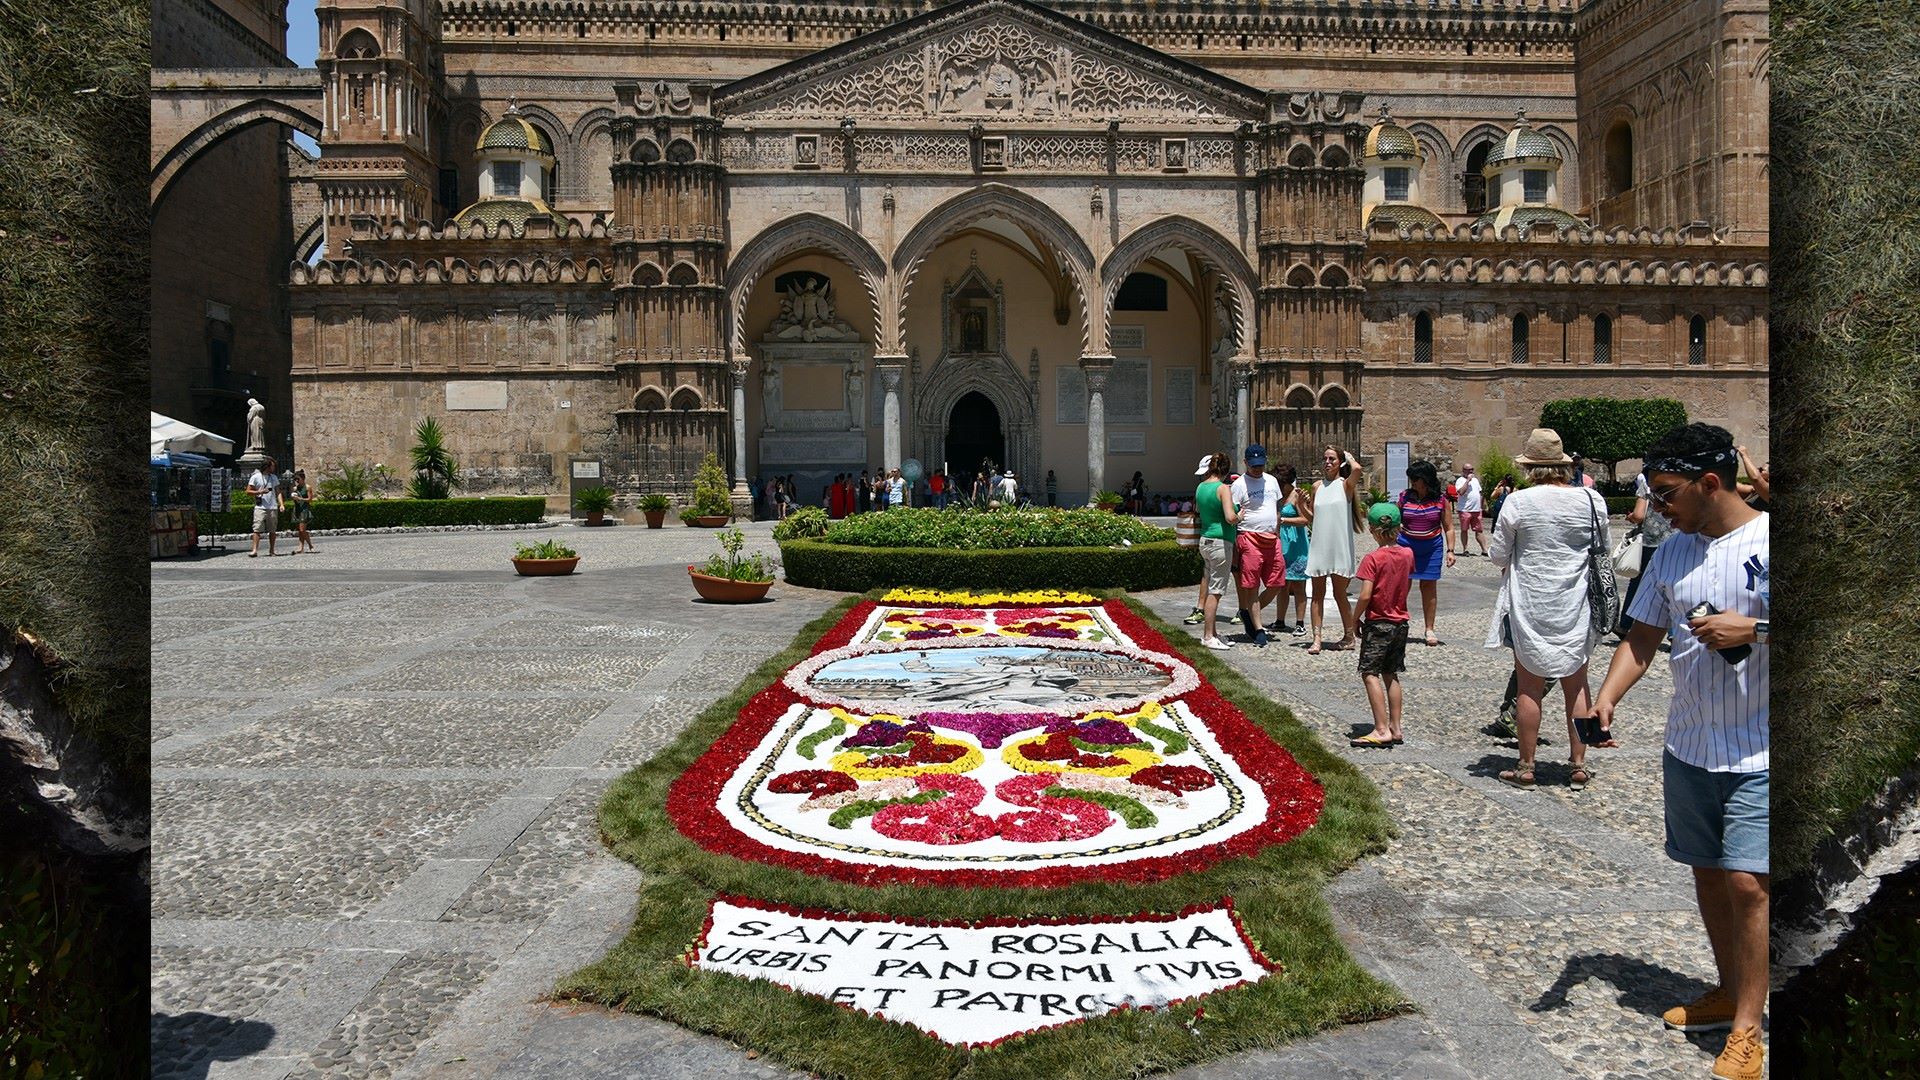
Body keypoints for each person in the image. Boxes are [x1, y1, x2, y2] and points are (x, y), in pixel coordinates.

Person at [1592, 423, 1769, 1080]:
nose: (1657, 507)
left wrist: (1756, 628)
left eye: (1667, 493)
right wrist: (1606, 697)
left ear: (1711, 483)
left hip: (1761, 748)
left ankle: (1749, 1028)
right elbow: (1641, 638)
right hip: (1690, 744)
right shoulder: (1670, 553)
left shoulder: (1774, 540)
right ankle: (1730, 989)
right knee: (1706, 870)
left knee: (1750, 885)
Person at [1484, 428, 1606, 791]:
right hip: (1576, 601)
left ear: (1530, 466)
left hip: (1531, 601)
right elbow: (1604, 548)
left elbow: (1497, 555)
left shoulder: (1519, 502)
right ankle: (1579, 763)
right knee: (1578, 685)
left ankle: (1526, 765)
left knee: (1529, 685)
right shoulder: (1591, 500)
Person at [1350, 502, 1414, 748]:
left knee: (1369, 673)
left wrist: (1356, 618)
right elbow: (1406, 584)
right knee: (1391, 673)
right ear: (1398, 528)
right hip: (1400, 622)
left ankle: (1380, 728)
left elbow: (1366, 594)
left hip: (1378, 623)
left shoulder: (1372, 559)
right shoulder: (1407, 554)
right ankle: (1396, 727)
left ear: (1373, 530)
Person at [1303, 446, 1363, 654]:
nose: (1327, 462)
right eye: (1325, 459)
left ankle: (1349, 636)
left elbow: (1358, 469)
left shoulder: (1345, 485)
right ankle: (1317, 638)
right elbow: (1313, 519)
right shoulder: (1316, 486)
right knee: (1317, 594)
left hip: (1339, 546)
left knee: (1340, 594)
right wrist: (1302, 506)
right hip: (1320, 545)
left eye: (1332, 459)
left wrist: (1347, 456)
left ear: (1340, 462)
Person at [1229, 444, 1285, 648]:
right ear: (1245, 463)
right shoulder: (1238, 486)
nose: (1257, 469)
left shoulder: (1271, 481)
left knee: (1277, 583)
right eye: (1253, 466)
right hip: (1249, 537)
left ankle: (1248, 613)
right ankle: (1258, 627)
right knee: (1251, 585)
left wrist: (1277, 530)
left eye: (1260, 465)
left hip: (1271, 538)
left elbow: (1276, 508)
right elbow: (1232, 514)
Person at [1397, 460, 1457, 647]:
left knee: (1429, 588)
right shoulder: (1405, 497)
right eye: (1411, 478)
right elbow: (1396, 519)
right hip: (1406, 546)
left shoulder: (1440, 500)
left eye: (1416, 478)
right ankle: (1398, 623)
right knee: (1401, 586)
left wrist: (1450, 550)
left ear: (1426, 479)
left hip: (1431, 547)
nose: (1412, 482)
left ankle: (1429, 628)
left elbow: (1448, 527)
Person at [1617, 466, 1676, 637]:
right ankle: (1673, 632)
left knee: (1638, 582)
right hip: (1676, 538)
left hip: (1652, 541)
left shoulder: (1647, 484)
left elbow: (1639, 515)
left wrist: (1630, 517)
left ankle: (1625, 624)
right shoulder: (1678, 480)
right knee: (1672, 583)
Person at [1193, 453, 1242, 651]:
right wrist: (1240, 514)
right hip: (1221, 542)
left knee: (1212, 582)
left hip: (1205, 539)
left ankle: (1213, 632)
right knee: (1216, 591)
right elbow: (1230, 517)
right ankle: (1207, 636)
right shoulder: (1223, 488)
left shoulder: (1201, 486)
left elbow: (1199, 509)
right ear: (1225, 470)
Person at [1275, 464, 1311, 636]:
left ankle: (1300, 622)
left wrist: (1284, 520)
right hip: (1282, 544)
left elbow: (1305, 519)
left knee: (1298, 585)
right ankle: (1280, 620)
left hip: (1297, 545)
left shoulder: (1297, 495)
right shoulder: (1278, 496)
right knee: (1281, 585)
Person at [246, 456, 281, 558]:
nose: (274, 468)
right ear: (267, 466)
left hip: (272, 506)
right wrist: (259, 492)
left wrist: (281, 504)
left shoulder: (274, 477)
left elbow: (278, 492)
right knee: (257, 528)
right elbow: (248, 491)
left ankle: (272, 550)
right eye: (272, 466)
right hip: (260, 507)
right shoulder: (256, 477)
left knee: (272, 530)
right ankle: (254, 550)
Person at [1455, 463, 1488, 556]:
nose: (1471, 471)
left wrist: (1481, 505)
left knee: (1479, 530)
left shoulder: (1476, 480)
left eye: (1472, 469)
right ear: (1464, 470)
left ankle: (1484, 549)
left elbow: (1479, 493)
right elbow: (1461, 492)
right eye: (1469, 470)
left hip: (1476, 509)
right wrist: (1467, 481)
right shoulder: (1460, 480)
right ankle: (1465, 549)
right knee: (1464, 530)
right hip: (1465, 509)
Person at [286, 468, 316, 554]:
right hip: (297, 509)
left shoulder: (307, 487)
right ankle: (301, 547)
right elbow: (295, 500)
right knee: (300, 530)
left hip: (304, 509)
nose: (296, 481)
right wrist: (294, 498)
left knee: (302, 529)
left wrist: (300, 498)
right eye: (295, 479)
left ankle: (310, 545)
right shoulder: (295, 488)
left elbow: (310, 499)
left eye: (298, 479)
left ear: (303, 478)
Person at [1735, 445, 1769, 512]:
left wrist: (1744, 455)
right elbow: (1734, 486)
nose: (1757, 470)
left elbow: (1755, 478)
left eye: (1761, 469)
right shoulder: (1755, 490)